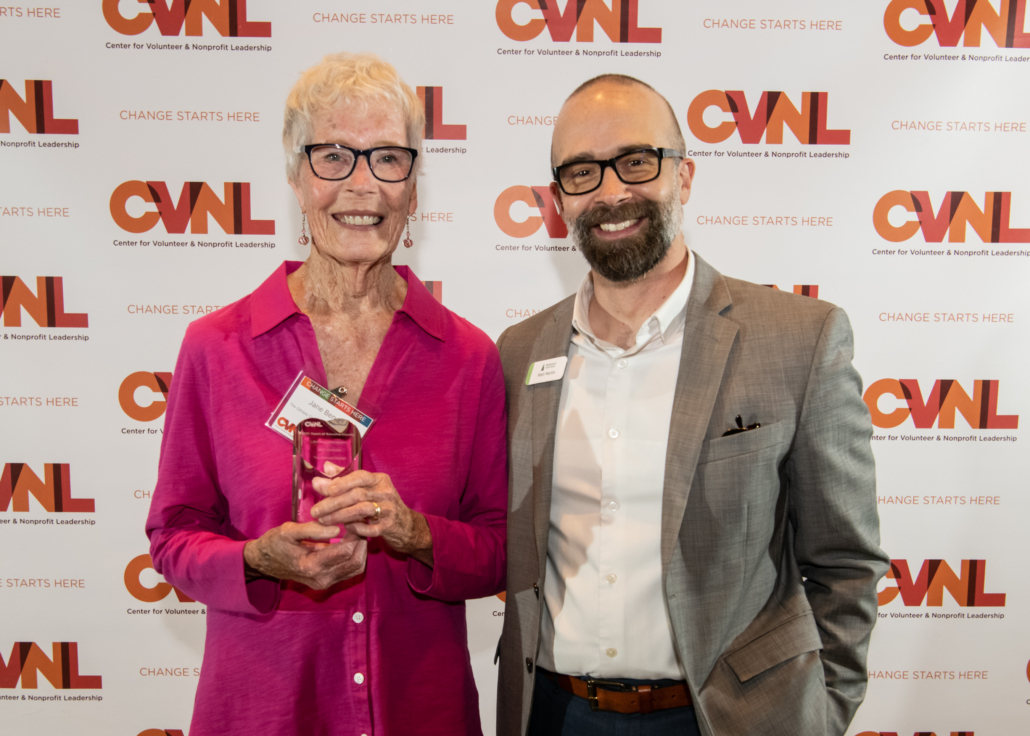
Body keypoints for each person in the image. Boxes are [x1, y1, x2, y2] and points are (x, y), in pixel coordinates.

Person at [494, 74, 889, 736]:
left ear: (684, 176)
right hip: (554, 715)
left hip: (732, 719)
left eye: (637, 162)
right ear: (558, 200)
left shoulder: (798, 339)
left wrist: (820, 712)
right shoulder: (517, 352)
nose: (613, 192)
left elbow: (845, 563)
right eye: (582, 173)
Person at [146, 52, 507, 736]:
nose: (362, 185)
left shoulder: (469, 359)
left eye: (388, 159)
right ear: (294, 174)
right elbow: (172, 540)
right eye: (333, 156)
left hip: (418, 712)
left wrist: (414, 532)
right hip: (265, 712)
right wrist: (257, 559)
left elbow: (501, 549)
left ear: (414, 181)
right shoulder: (217, 348)